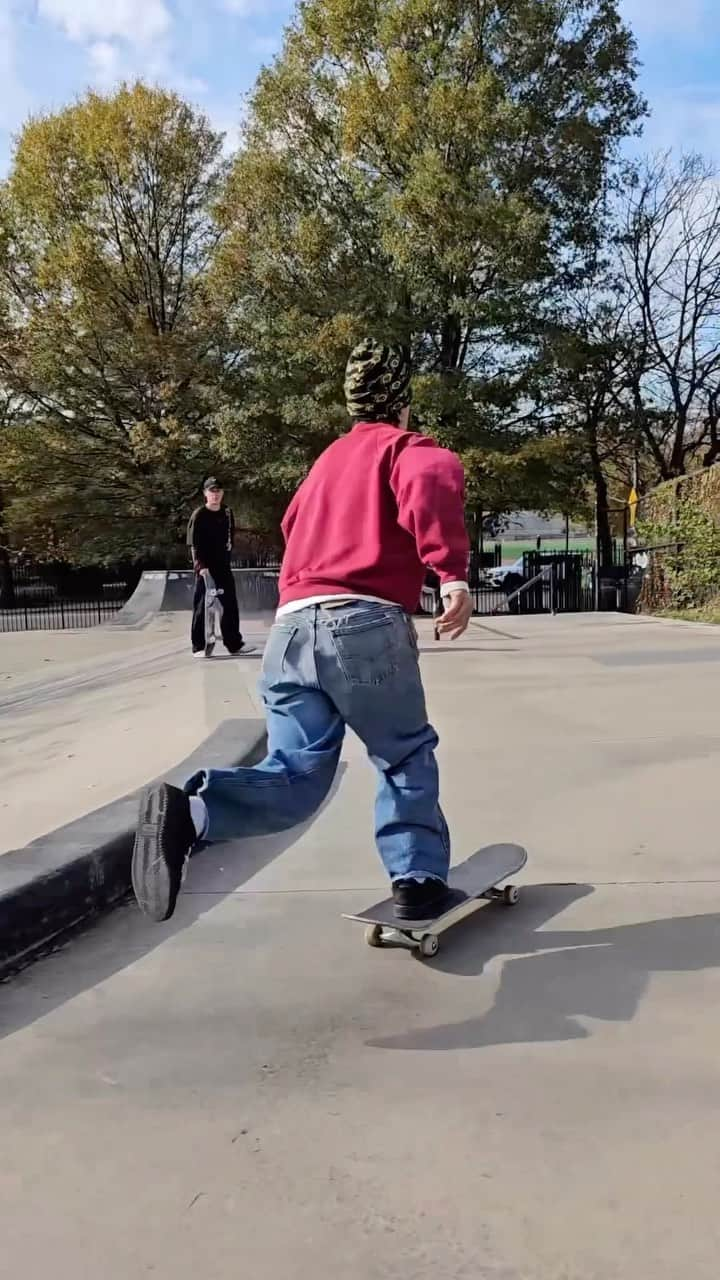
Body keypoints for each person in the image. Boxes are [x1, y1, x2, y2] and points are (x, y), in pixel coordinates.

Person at [132, 339, 472, 925]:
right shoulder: (405, 447)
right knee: (404, 755)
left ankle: (194, 813)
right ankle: (417, 879)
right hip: (363, 622)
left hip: (291, 631)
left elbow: (293, 524)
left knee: (296, 775)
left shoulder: (326, 463)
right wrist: (451, 576)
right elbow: (435, 478)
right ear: (402, 405)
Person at [187, 478, 252, 658]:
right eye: (211, 491)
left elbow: (230, 537)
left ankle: (234, 644)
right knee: (202, 605)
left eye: (218, 491)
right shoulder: (199, 515)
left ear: (222, 493)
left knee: (229, 604)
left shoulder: (227, 512)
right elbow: (194, 544)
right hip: (205, 566)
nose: (215, 495)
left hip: (222, 564)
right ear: (205, 494)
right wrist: (200, 567)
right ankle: (199, 646)